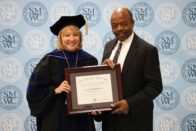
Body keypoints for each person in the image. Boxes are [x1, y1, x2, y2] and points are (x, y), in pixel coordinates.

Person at [26, 15, 98, 131]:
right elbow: (34, 92)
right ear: (60, 38)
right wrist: (55, 90)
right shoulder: (50, 60)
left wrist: (96, 107)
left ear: (80, 38)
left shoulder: (89, 60)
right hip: (56, 118)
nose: (72, 39)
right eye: (67, 35)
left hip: (82, 120)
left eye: (75, 35)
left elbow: (96, 90)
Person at [96, 7, 163, 131]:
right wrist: (98, 107)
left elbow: (155, 86)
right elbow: (105, 82)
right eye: (114, 25)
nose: (119, 28)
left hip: (135, 121)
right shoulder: (108, 46)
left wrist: (130, 104)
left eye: (124, 24)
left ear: (132, 23)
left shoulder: (147, 50)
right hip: (110, 122)